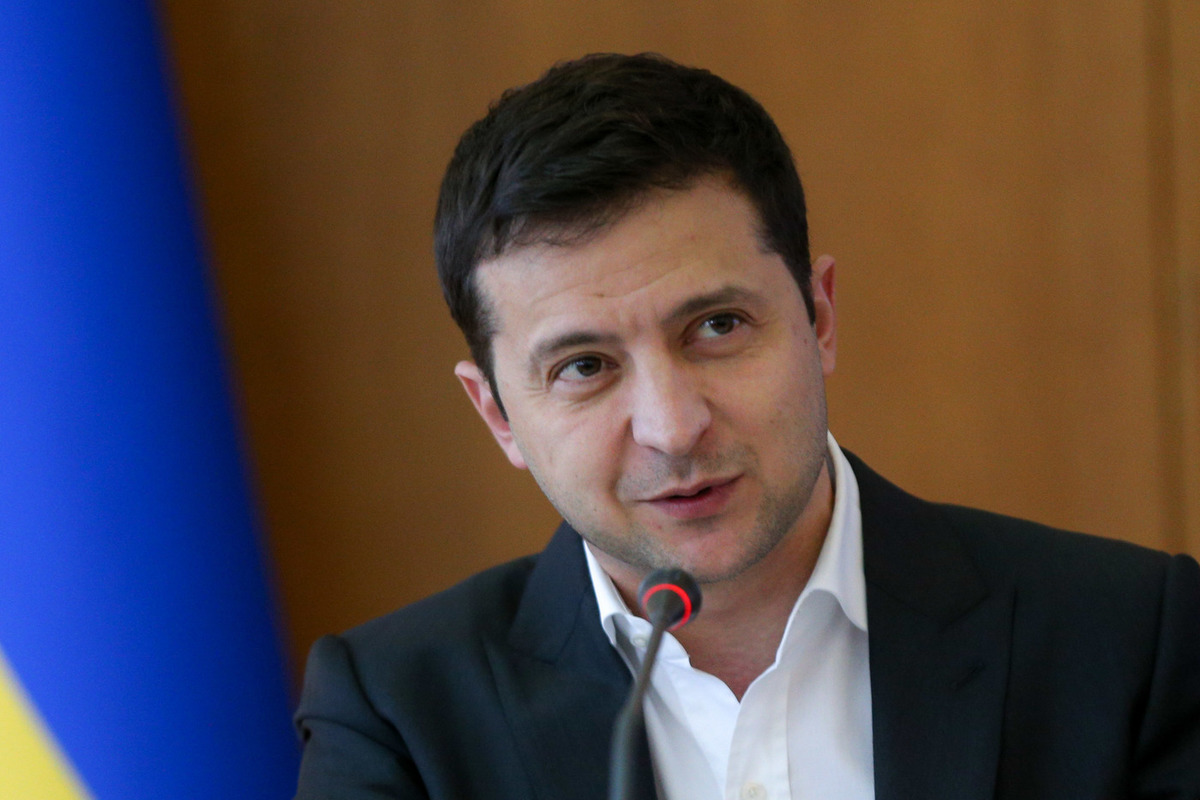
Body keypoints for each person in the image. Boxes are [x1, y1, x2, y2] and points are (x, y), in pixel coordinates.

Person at [293, 53, 1200, 800]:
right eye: (584, 367)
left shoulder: (1127, 642)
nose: (673, 427)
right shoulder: (398, 719)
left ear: (820, 316)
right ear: (497, 415)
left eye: (717, 326)